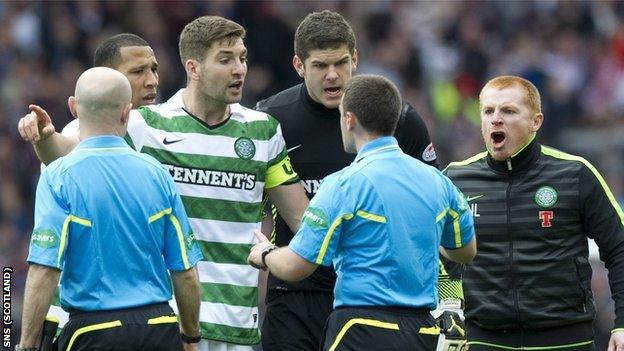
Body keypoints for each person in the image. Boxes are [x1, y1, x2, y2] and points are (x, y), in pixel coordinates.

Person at [17, 16, 308, 351]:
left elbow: (303, 221)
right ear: (193, 67)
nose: (239, 69)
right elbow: (72, 156)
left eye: (243, 59)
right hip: (172, 324)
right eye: (226, 60)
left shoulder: (263, 131)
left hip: (236, 323)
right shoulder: (146, 125)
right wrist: (44, 138)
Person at [254, 10, 462, 351]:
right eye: (320, 65)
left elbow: (438, 218)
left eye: (340, 63)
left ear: (355, 58)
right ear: (298, 66)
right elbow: (250, 208)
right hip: (295, 297)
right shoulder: (270, 121)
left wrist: (452, 302)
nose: (333, 76)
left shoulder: (402, 120)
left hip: (373, 304)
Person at [16, 67, 201, 351]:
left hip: (92, 332)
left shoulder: (58, 176)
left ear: (73, 108)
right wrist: (190, 338)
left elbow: (44, 269)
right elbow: (186, 271)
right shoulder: (157, 173)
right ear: (127, 112)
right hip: (160, 328)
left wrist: (26, 345)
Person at [444, 75, 624, 351]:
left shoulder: (575, 174)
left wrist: (622, 324)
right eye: (488, 111)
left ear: (535, 122)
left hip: (566, 339)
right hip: (484, 339)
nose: (496, 119)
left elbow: (619, 247)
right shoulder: (455, 180)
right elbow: (432, 254)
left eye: (509, 111)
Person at [24, 32, 161, 335]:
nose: (152, 80)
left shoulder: (161, 125)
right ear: (106, 79)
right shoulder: (92, 127)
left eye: (154, 69)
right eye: (138, 72)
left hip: (144, 316)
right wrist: (47, 139)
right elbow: (68, 148)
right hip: (78, 316)